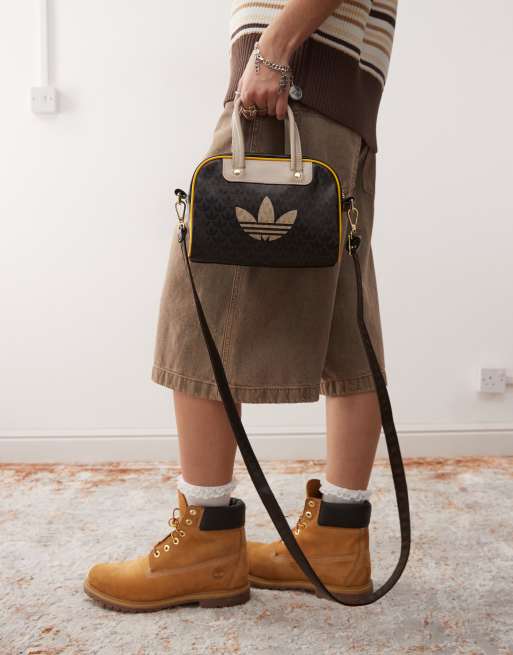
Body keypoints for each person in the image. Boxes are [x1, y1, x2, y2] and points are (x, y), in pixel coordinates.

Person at [83, 0, 398, 611]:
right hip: (341, 92)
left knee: (198, 309)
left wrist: (273, 49)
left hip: (292, 81)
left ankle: (205, 539)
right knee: (347, 318)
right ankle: (337, 538)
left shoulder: (282, 61)